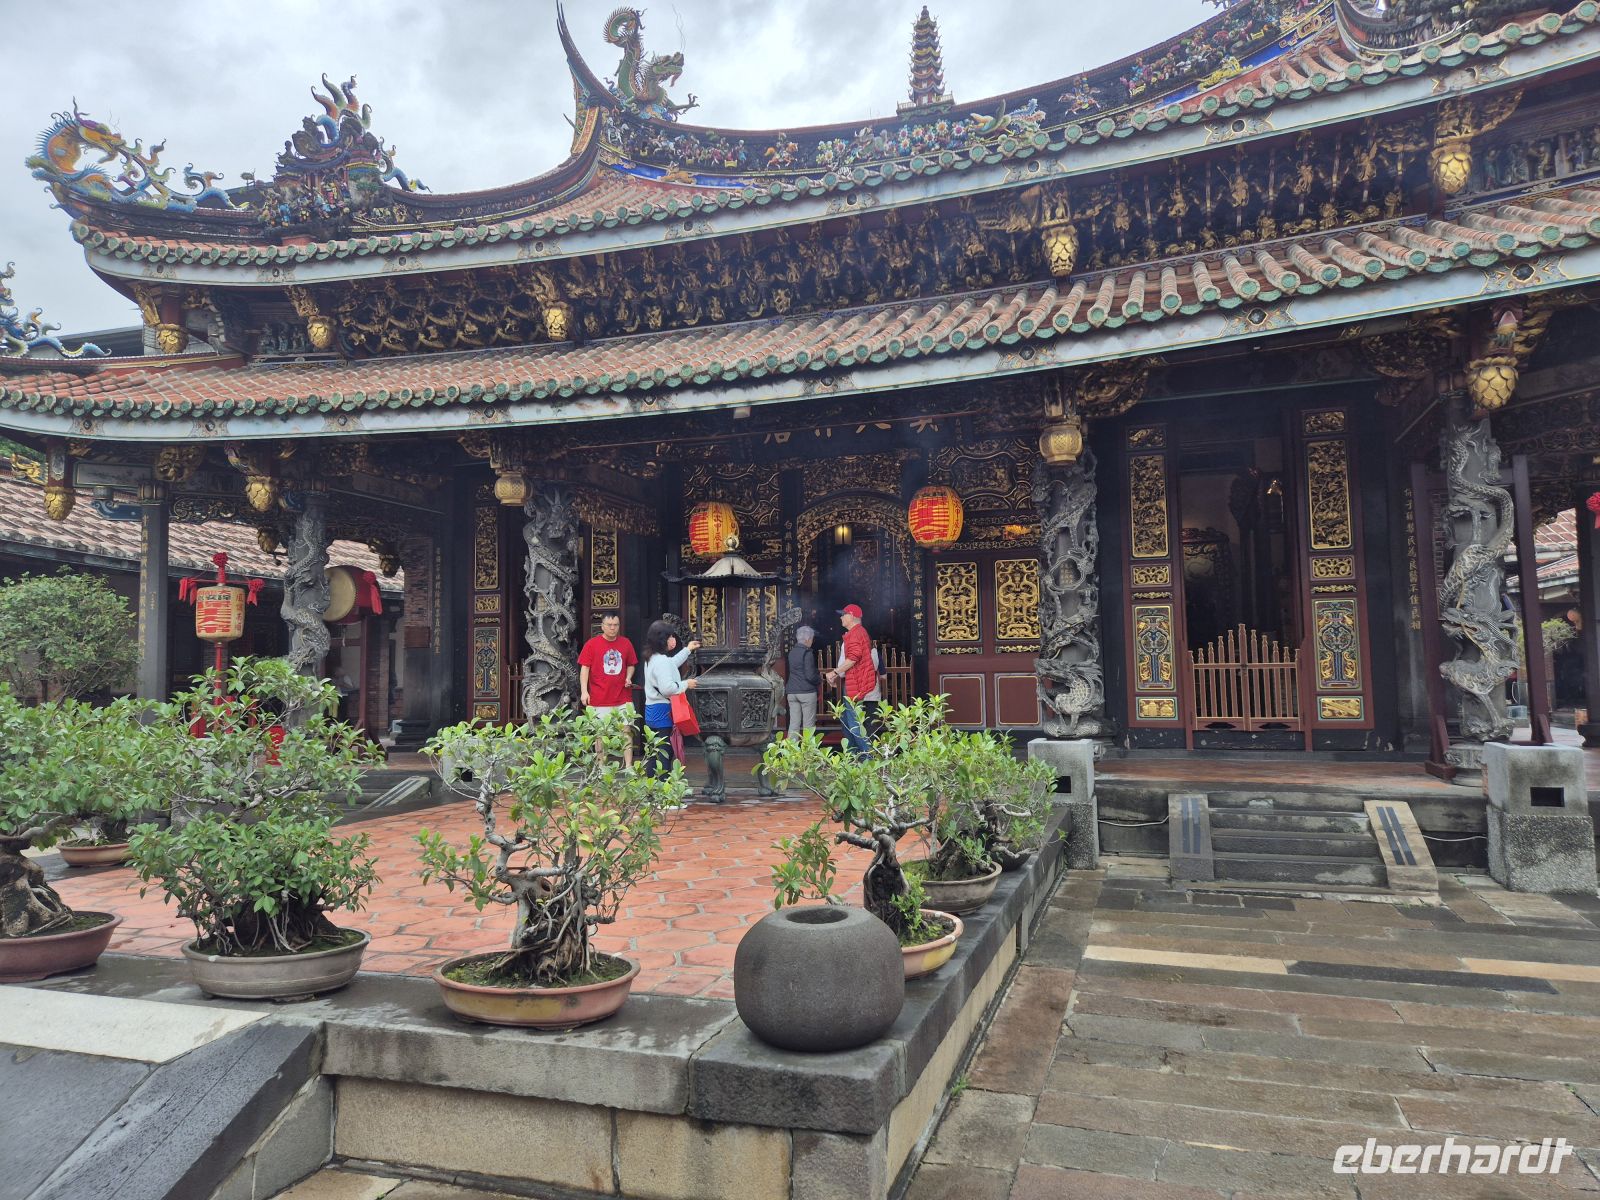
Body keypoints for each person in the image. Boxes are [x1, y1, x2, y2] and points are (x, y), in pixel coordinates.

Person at [642, 619, 701, 784]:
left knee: (655, 753)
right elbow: (668, 688)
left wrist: (687, 650)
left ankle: (651, 789)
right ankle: (664, 793)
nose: (672, 639)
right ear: (662, 639)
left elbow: (671, 665)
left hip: (652, 709)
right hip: (663, 711)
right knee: (665, 752)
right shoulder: (661, 661)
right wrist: (686, 684)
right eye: (670, 636)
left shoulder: (653, 657)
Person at [577, 613, 638, 768]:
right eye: (609, 625)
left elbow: (631, 664)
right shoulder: (592, 644)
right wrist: (584, 691)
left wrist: (629, 677)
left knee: (626, 730)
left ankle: (629, 766)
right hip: (599, 696)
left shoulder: (626, 643)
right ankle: (601, 766)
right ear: (602, 626)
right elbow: (585, 669)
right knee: (600, 734)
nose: (613, 628)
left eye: (616, 625)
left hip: (623, 696)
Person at [825, 603, 876, 758]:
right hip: (855, 682)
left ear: (851, 616)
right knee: (848, 722)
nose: (841, 618)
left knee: (853, 723)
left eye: (843, 614)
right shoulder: (859, 632)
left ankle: (867, 757)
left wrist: (834, 672)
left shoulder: (855, 633)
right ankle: (855, 755)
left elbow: (853, 658)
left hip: (856, 684)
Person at [786, 625, 821, 737]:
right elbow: (810, 675)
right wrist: (819, 679)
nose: (812, 641)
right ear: (807, 639)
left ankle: (791, 752)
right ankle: (807, 752)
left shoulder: (791, 653)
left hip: (792, 692)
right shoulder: (807, 653)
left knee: (794, 724)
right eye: (811, 639)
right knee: (808, 725)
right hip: (806, 692)